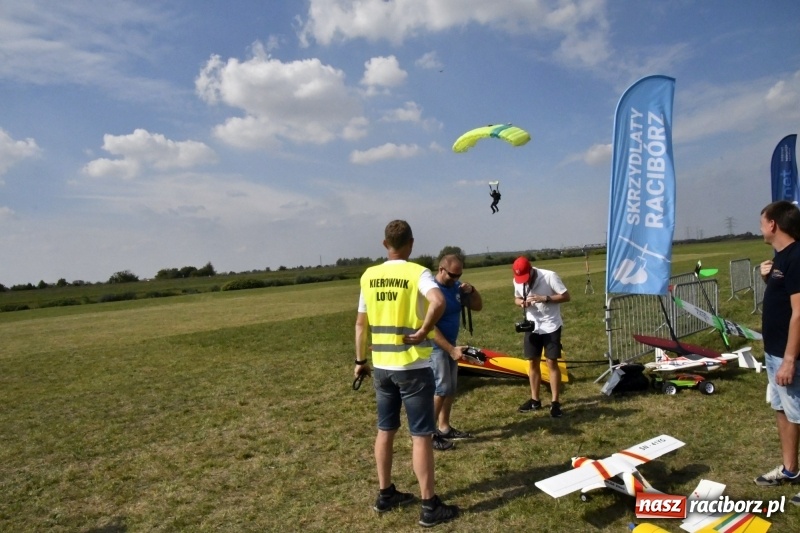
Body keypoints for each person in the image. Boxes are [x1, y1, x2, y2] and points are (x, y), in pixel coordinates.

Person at [354, 220, 460, 527]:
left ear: (384, 243)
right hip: (412, 366)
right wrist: (425, 329)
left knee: (385, 429)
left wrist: (360, 360)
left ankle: (385, 493)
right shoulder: (417, 272)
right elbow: (438, 300)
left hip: (382, 368)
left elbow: (361, 324)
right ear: (411, 243)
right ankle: (429, 506)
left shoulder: (369, 275)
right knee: (421, 435)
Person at [754, 200, 800, 506]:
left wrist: (789, 359)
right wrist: (766, 279)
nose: (760, 228)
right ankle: (790, 470)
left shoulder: (797, 257)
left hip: (789, 357)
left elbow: (799, 312)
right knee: (782, 412)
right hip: (774, 353)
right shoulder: (781, 258)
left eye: (762, 222)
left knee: (798, 414)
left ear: (773, 225)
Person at [430, 254, 483, 451]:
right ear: (441, 269)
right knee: (440, 389)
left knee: (450, 389)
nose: (456, 278)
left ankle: (444, 427)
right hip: (436, 347)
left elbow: (477, 306)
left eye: (459, 274)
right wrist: (449, 348)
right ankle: (429, 434)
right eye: (453, 275)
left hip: (451, 346)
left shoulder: (456, 288)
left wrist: (472, 291)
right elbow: (428, 326)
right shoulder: (432, 292)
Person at [511, 256, 570, 417]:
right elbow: (516, 298)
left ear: (531, 269)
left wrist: (546, 298)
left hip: (551, 325)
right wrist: (521, 303)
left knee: (551, 362)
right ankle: (535, 400)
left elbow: (566, 296)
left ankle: (555, 403)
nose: (524, 281)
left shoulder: (550, 276)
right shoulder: (518, 280)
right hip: (532, 326)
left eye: (526, 276)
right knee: (532, 362)